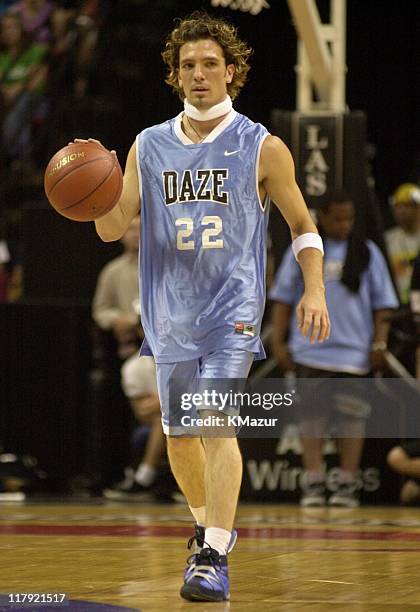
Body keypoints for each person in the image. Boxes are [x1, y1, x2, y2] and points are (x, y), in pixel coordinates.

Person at [79, 11, 329, 603]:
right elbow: (113, 226)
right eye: (187, 65)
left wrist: (314, 287)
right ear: (175, 75)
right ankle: (206, 526)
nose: (198, 74)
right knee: (179, 435)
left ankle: (215, 552)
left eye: (210, 64)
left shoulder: (262, 147)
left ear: (231, 72)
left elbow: (303, 225)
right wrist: (90, 193)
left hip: (232, 311)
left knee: (215, 422)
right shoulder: (148, 145)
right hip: (169, 315)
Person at [270, 190, 399, 508]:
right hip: (311, 349)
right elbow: (284, 298)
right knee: (311, 418)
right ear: (322, 218)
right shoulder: (304, 250)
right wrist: (278, 341)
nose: (344, 224)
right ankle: (313, 482)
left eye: (349, 219)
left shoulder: (367, 252)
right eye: (337, 218)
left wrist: (379, 342)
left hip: (353, 352)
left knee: (351, 420)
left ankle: (345, 483)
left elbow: (383, 306)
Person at [385, 183, 420, 306]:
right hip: (397, 304)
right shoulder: (388, 239)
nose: (402, 211)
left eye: (407, 206)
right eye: (398, 206)